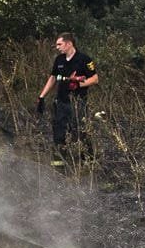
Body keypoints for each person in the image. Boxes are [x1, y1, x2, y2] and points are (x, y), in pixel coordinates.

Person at [35, 32, 98, 165]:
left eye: (60, 44)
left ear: (69, 43)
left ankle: (88, 162)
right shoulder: (59, 60)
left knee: (80, 131)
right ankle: (59, 164)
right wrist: (41, 96)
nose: (57, 47)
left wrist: (79, 84)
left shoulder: (84, 59)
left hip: (77, 102)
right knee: (59, 132)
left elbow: (95, 79)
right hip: (61, 102)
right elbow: (52, 78)